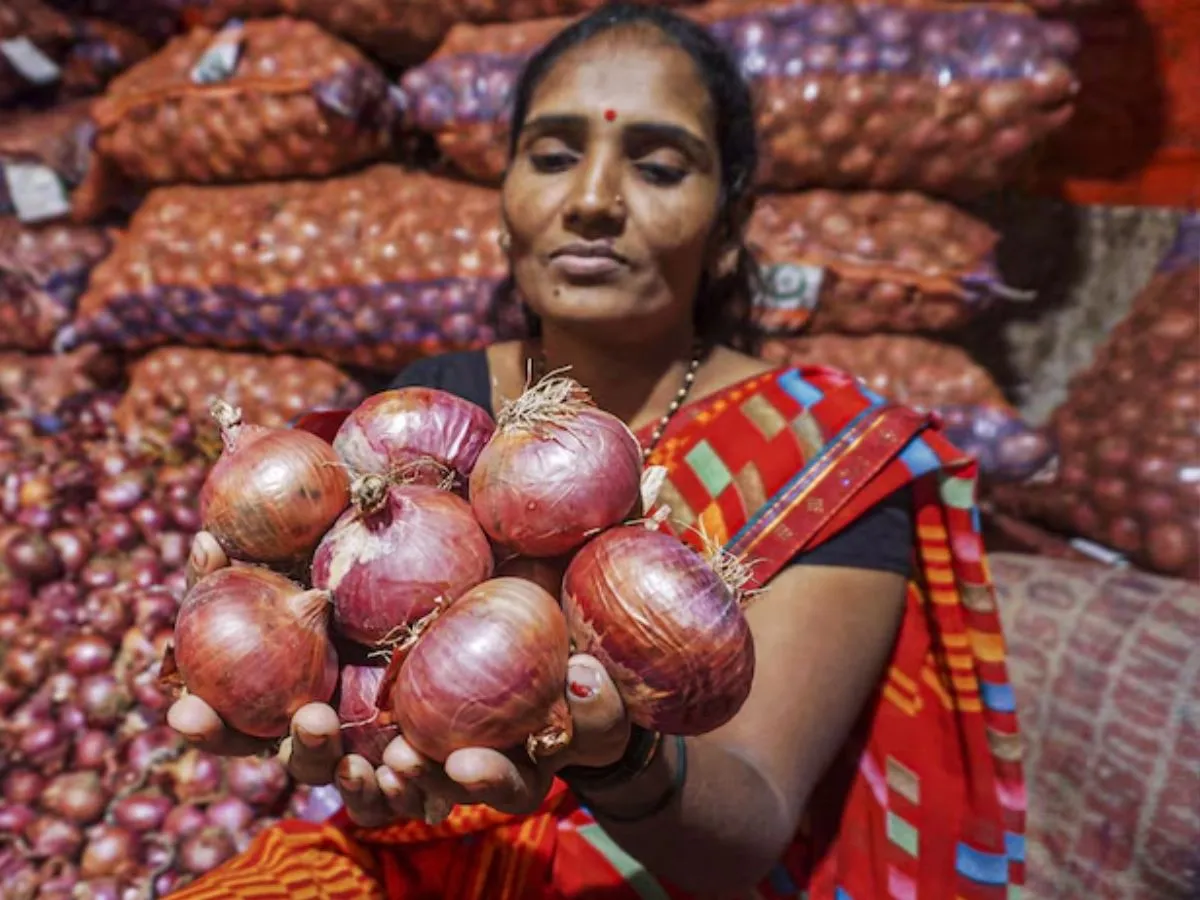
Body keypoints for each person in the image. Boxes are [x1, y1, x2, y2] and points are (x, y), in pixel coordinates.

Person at [166, 5, 1025, 898]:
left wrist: (619, 757)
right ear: (504, 206)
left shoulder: (821, 451)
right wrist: (276, 658)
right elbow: (350, 658)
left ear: (728, 229)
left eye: (657, 165)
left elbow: (749, 830)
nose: (591, 200)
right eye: (551, 157)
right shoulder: (426, 405)